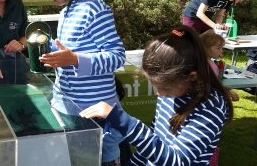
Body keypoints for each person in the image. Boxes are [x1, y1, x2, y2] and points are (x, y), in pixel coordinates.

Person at [79, 25, 234, 166]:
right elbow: (155, 139)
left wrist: (122, 120)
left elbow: (176, 160)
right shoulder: (171, 95)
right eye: (156, 87)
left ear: (191, 76)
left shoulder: (210, 107)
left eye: (165, 88)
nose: (159, 95)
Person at [32, 0, 126, 166]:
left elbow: (117, 56)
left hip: (94, 114)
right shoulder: (67, 11)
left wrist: (75, 59)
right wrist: (51, 54)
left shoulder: (95, 8)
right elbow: (71, 49)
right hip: (71, 110)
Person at [199, 29, 239, 101]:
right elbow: (212, 87)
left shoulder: (201, 61)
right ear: (206, 48)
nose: (222, 50)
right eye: (218, 48)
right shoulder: (209, 66)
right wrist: (230, 93)